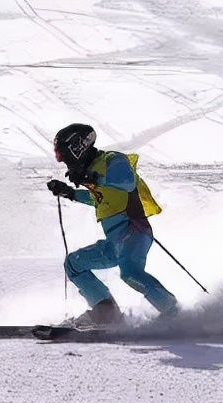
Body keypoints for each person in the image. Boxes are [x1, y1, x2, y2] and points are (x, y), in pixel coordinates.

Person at [46, 123, 179, 327]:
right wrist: (70, 192)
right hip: (115, 241)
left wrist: (92, 178)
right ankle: (106, 312)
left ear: (78, 148)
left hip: (133, 232)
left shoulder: (113, 160)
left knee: (130, 273)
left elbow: (126, 182)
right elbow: (98, 198)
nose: (67, 164)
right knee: (74, 264)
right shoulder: (92, 173)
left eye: (66, 157)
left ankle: (174, 312)